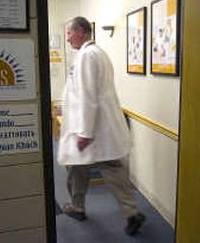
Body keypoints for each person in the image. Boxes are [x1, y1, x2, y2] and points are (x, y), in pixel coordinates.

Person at [57, 16, 145, 236]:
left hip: (92, 130)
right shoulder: (96, 53)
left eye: (68, 33)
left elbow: (88, 96)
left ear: (79, 31)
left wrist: (84, 133)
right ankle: (84, 207)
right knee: (83, 169)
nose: (67, 39)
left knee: (99, 169)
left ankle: (129, 213)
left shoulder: (87, 56)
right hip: (95, 128)